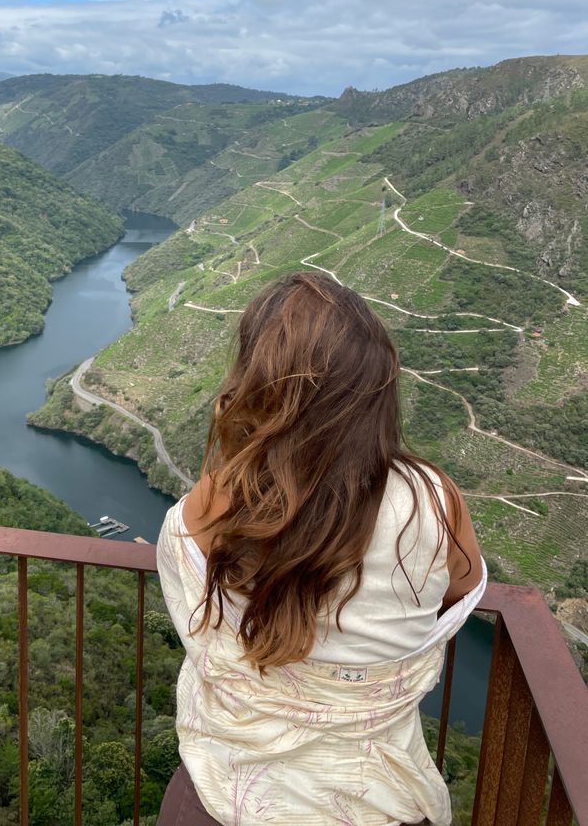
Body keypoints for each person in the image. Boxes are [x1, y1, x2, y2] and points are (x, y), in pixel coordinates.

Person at [156, 272, 486, 826]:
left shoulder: (219, 502)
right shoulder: (433, 499)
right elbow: (460, 596)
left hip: (222, 799)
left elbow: (193, 603)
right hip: (380, 803)